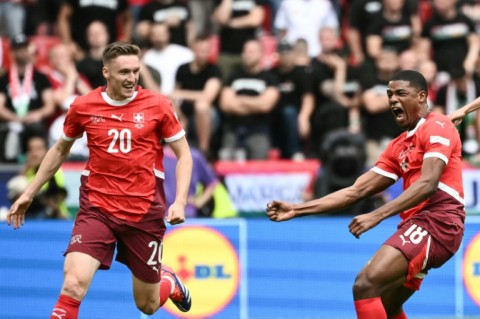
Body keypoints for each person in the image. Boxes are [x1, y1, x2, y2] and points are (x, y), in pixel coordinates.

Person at [7, 42, 193, 318]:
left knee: (147, 305)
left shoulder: (158, 106)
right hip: (98, 209)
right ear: (106, 72)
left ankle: (167, 281)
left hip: (144, 213)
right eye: (124, 72)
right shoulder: (84, 106)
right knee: (72, 284)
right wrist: (30, 192)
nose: (131, 79)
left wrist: (179, 202)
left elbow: (184, 156)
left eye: (135, 71)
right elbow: (60, 149)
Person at [266, 70, 465, 319]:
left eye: (401, 93)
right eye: (389, 94)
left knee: (365, 284)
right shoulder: (398, 147)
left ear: (422, 96)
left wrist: (376, 215)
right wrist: (297, 209)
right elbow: (355, 191)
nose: (393, 99)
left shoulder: (437, 126)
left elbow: (428, 184)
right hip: (418, 224)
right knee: (386, 305)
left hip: (438, 221)